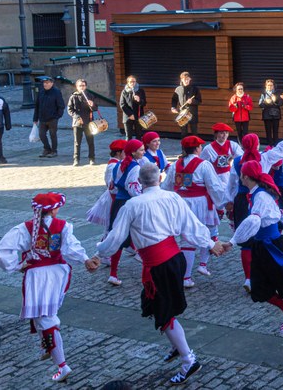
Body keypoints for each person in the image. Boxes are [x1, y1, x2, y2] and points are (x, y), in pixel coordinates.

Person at [93, 163, 224, 385]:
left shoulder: (133, 205)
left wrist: (99, 252)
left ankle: (188, 360)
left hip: (158, 264)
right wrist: (209, 243)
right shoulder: (173, 198)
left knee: (163, 312)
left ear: (140, 182)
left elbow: (116, 237)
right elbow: (191, 225)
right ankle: (177, 346)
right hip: (174, 259)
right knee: (157, 306)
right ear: (159, 179)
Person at [0, 192, 99, 383]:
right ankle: (46, 345)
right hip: (58, 273)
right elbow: (71, 248)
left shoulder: (24, 228)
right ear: (54, 209)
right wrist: (85, 259)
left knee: (45, 316)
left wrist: (16, 266)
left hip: (37, 275)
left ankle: (62, 365)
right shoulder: (63, 226)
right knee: (44, 312)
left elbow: (2, 250)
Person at [217, 160, 283, 341]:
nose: (240, 177)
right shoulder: (256, 194)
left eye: (242, 175)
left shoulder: (260, 196)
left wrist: (231, 242)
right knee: (259, 286)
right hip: (262, 246)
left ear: (245, 177)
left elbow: (254, 221)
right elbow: (278, 212)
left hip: (274, 246)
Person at [224, 131, 283, 292]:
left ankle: (248, 278)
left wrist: (228, 201)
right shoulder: (263, 158)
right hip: (260, 196)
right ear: (257, 144)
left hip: (241, 200)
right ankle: (270, 273)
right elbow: (282, 150)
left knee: (245, 242)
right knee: (266, 235)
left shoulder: (237, 161)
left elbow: (231, 183)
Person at [161, 136, 226, 286]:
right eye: (200, 146)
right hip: (200, 204)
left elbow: (166, 187)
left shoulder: (176, 165)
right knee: (206, 232)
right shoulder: (204, 165)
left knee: (186, 239)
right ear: (197, 149)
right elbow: (214, 187)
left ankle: (186, 276)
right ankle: (201, 266)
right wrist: (220, 203)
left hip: (181, 203)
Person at [107, 139, 145, 286]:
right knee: (141, 233)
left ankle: (113, 273)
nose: (143, 152)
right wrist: (142, 198)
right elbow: (132, 188)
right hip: (130, 203)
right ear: (133, 152)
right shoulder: (135, 167)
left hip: (118, 203)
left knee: (118, 236)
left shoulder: (118, 165)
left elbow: (112, 186)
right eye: (141, 150)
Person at [200, 122, 243, 222]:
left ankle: (231, 212)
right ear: (216, 134)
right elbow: (201, 164)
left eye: (226, 133)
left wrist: (234, 159)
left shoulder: (232, 145)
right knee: (217, 197)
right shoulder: (208, 149)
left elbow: (241, 158)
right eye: (221, 133)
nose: (224, 135)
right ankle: (217, 214)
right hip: (215, 177)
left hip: (229, 175)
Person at [67, 78, 98, 167]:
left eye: (83, 85)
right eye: (80, 86)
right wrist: (77, 117)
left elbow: (96, 108)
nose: (82, 87)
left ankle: (92, 158)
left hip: (89, 122)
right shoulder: (73, 96)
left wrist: (92, 105)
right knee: (77, 142)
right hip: (78, 123)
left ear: (86, 86)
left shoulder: (90, 96)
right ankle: (76, 159)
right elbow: (70, 109)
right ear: (77, 87)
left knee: (90, 141)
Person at [33, 76, 64, 158]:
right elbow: (37, 106)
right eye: (44, 83)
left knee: (53, 135)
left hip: (52, 118)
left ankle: (54, 151)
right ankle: (47, 149)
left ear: (52, 83)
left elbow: (61, 105)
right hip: (42, 118)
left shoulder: (56, 92)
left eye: (47, 83)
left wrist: (57, 116)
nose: (45, 84)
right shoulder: (41, 92)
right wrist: (35, 118)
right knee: (41, 134)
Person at [171, 71, 201, 137]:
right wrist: (173, 107)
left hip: (192, 113)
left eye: (188, 79)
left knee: (194, 132)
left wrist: (192, 101)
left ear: (190, 79)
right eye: (185, 79)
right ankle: (184, 147)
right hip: (182, 113)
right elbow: (174, 100)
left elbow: (199, 101)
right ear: (181, 80)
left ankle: (195, 147)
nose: (186, 81)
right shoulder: (178, 89)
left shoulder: (195, 89)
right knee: (183, 133)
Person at [119, 75, 147, 140]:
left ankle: (138, 150)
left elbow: (144, 103)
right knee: (128, 137)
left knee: (139, 136)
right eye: (131, 82)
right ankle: (128, 150)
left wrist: (139, 100)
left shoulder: (140, 90)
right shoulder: (124, 91)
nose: (132, 83)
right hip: (128, 117)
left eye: (134, 82)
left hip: (138, 116)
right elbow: (122, 104)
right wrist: (130, 114)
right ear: (128, 82)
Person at [259, 79, 283, 146]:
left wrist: (275, 100)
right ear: (265, 86)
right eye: (268, 85)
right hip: (267, 115)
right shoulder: (263, 94)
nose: (270, 87)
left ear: (273, 86)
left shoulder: (277, 93)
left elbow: (281, 103)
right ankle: (269, 145)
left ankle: (276, 145)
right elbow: (260, 104)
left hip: (276, 115)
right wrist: (266, 102)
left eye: (271, 85)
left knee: (275, 131)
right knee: (268, 131)